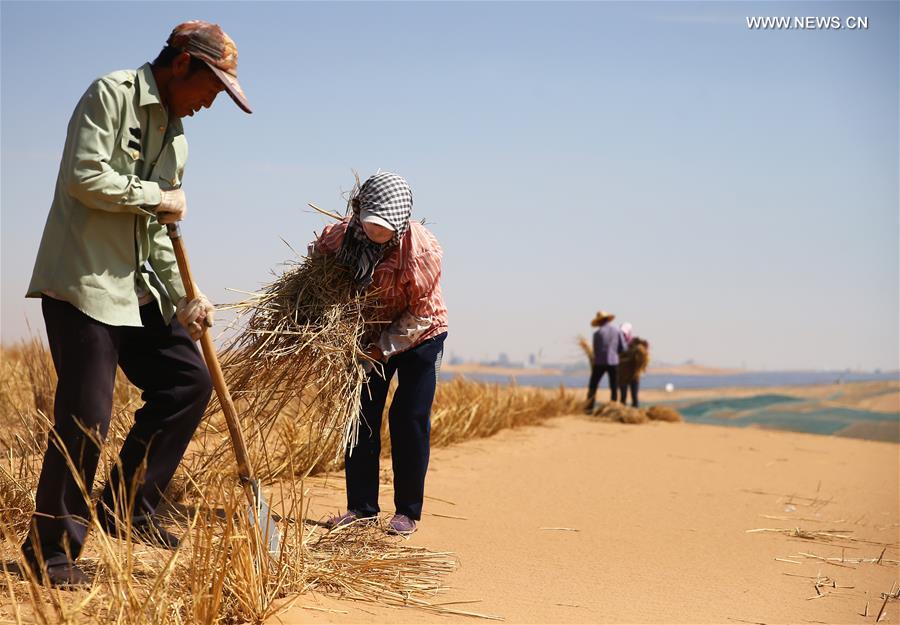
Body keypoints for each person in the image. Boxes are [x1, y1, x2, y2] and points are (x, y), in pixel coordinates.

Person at [21, 20, 251, 588]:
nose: (209, 102)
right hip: (85, 283)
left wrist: (183, 300)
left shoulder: (176, 137)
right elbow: (84, 177)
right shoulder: (112, 94)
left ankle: (127, 505)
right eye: (210, 88)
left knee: (188, 382)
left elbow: (159, 234)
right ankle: (49, 551)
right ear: (180, 65)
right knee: (88, 413)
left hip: (138, 288)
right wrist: (156, 196)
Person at [313, 172, 448, 537]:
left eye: (386, 227)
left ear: (402, 220)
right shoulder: (338, 238)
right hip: (366, 334)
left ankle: (407, 511)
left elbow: (421, 313)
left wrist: (381, 349)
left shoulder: (421, 250)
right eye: (371, 223)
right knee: (361, 417)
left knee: (409, 416)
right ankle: (361, 508)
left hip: (419, 334)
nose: (378, 232)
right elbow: (318, 276)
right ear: (359, 211)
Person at [585, 310, 627, 413]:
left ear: (599, 321)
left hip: (599, 362)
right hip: (613, 362)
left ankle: (589, 407)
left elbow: (595, 350)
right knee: (613, 386)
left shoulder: (597, 334)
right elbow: (623, 347)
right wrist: (615, 352)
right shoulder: (617, 331)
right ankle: (613, 407)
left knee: (593, 385)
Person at [617, 322, 650, 407]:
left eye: (625, 333)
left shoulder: (636, 343)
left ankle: (635, 414)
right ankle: (621, 414)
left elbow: (645, 351)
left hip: (634, 375)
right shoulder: (618, 343)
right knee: (623, 397)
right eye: (622, 333)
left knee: (634, 396)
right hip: (623, 375)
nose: (623, 335)